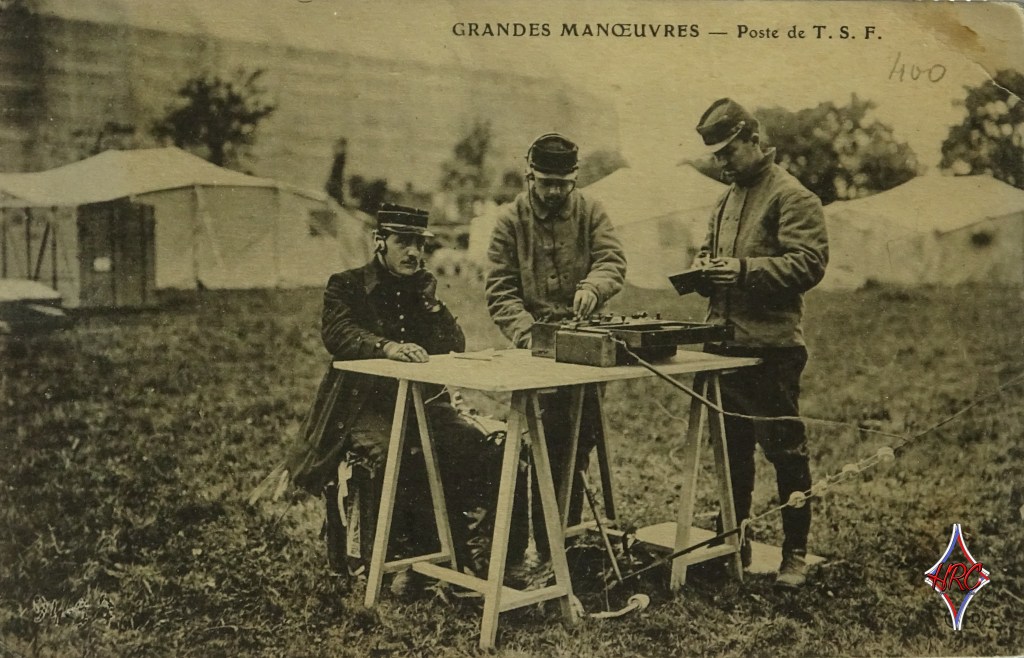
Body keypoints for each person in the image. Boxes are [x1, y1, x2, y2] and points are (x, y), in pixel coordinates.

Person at [280, 203, 518, 589]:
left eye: (419, 244)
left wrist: (432, 305)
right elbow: (338, 334)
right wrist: (386, 346)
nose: (413, 252)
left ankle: (476, 557)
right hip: (361, 407)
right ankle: (413, 560)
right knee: (405, 456)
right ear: (379, 242)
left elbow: (453, 345)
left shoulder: (419, 290)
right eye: (402, 242)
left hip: (420, 405)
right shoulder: (346, 284)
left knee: (485, 448)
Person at [690, 98, 829, 588]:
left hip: (771, 350)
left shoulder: (793, 196)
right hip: (724, 347)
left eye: (729, 152)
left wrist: (745, 270)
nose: (722, 164)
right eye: (717, 156)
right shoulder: (725, 201)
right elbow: (718, 261)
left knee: (785, 453)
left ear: (753, 139)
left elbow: (809, 264)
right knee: (730, 454)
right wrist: (704, 271)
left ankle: (794, 553)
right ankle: (736, 543)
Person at [485, 133, 627, 558]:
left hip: (584, 344)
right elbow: (500, 290)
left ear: (574, 179)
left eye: (562, 184)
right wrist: (528, 333)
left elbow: (612, 260)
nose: (552, 192)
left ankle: (561, 545)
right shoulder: (509, 221)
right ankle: (545, 548)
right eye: (544, 182)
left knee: (578, 443)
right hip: (534, 347)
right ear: (530, 175)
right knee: (543, 442)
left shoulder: (592, 212)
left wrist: (594, 287)